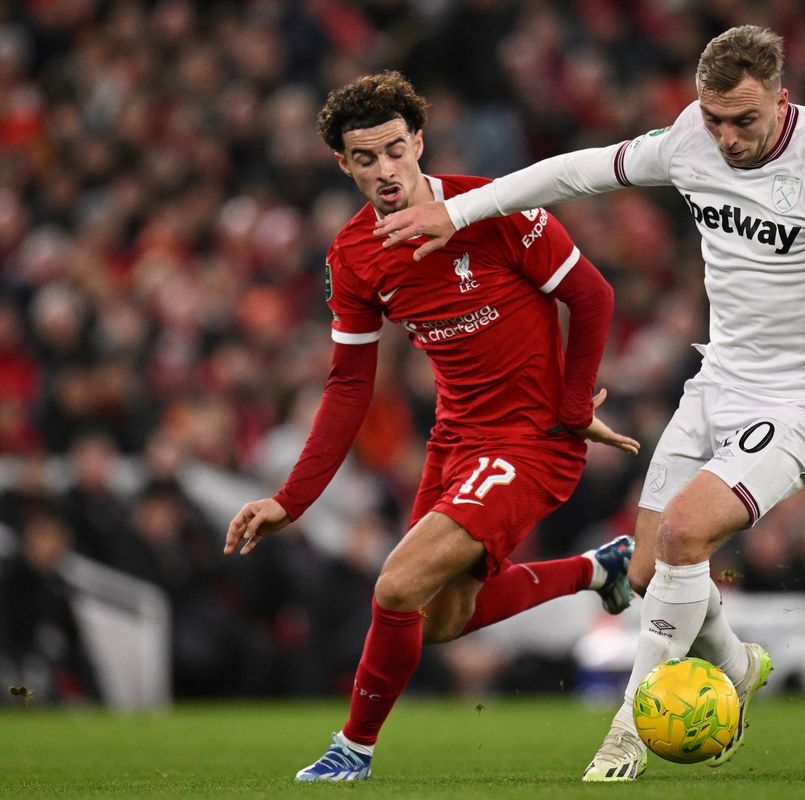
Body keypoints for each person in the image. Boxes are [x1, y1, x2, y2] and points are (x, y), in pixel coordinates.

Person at [375, 25, 805, 782]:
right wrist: (460, 212)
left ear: (780, 100)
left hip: (802, 399)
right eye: (713, 118)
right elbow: (576, 171)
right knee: (646, 565)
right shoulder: (691, 138)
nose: (725, 137)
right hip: (717, 380)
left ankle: (627, 734)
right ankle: (736, 663)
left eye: (744, 121)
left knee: (687, 536)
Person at [223, 71, 642, 782]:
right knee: (442, 620)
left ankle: (351, 750)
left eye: (395, 150)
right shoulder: (354, 257)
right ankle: (598, 570)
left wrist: (572, 413)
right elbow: (349, 385)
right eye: (365, 159)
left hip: (531, 440)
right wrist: (289, 500)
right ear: (342, 164)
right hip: (455, 443)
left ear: (419, 142)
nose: (385, 171)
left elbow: (592, 296)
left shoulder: (498, 206)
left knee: (394, 586)